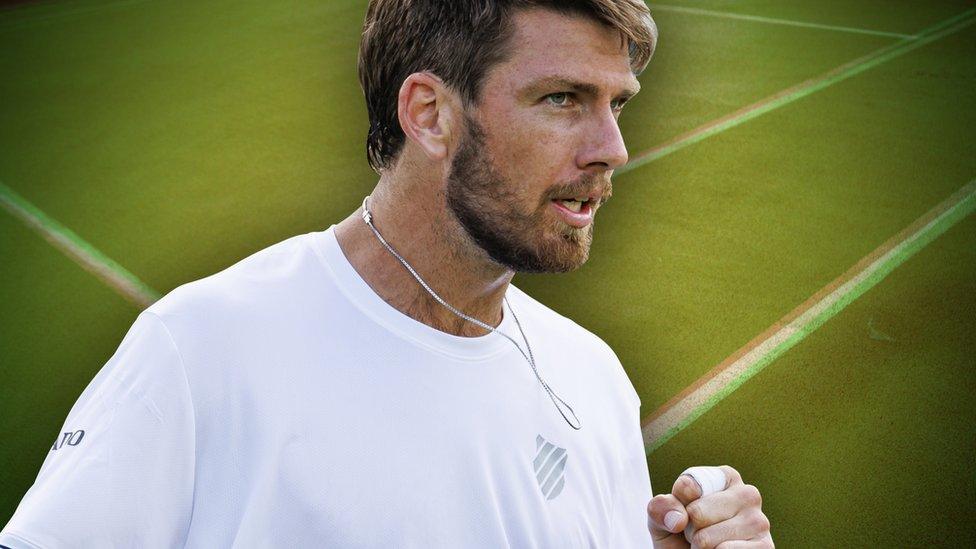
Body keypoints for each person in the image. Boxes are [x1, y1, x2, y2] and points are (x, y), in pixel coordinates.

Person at [1, 1, 773, 547]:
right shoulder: (201, 351)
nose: (612, 147)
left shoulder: (594, 378)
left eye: (617, 104)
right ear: (429, 113)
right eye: (563, 98)